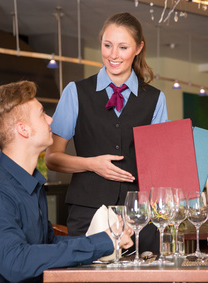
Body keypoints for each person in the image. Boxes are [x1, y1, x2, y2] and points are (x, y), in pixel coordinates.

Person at [0, 81, 133, 283]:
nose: (50, 120)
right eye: (42, 114)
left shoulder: (29, 184)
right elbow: (17, 263)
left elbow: (46, 243)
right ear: (23, 130)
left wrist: (107, 237)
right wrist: (100, 242)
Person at [45, 12, 168, 253]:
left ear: (138, 48)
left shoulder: (155, 99)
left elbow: (160, 165)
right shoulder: (75, 92)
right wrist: (92, 164)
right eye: (107, 45)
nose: (113, 55)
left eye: (123, 47)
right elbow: (52, 158)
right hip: (88, 213)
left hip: (141, 218)